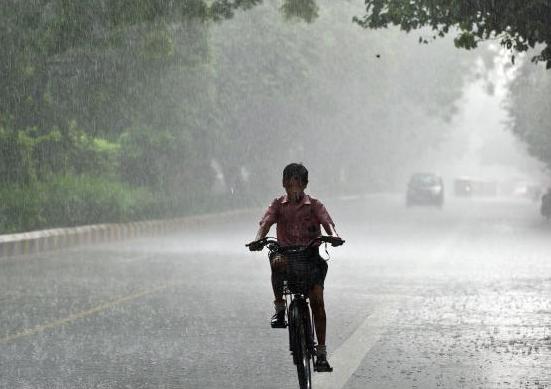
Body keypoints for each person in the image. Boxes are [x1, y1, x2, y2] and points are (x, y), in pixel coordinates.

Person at [248, 163, 342, 373]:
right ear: (283, 184)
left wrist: (334, 238)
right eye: (289, 184)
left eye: (297, 184)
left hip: (310, 257)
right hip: (287, 257)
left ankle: (321, 354)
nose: (294, 189)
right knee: (276, 260)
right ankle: (280, 309)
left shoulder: (315, 205)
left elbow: (329, 225)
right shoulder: (277, 205)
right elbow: (265, 224)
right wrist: (257, 240)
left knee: (317, 301)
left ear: (305, 184)